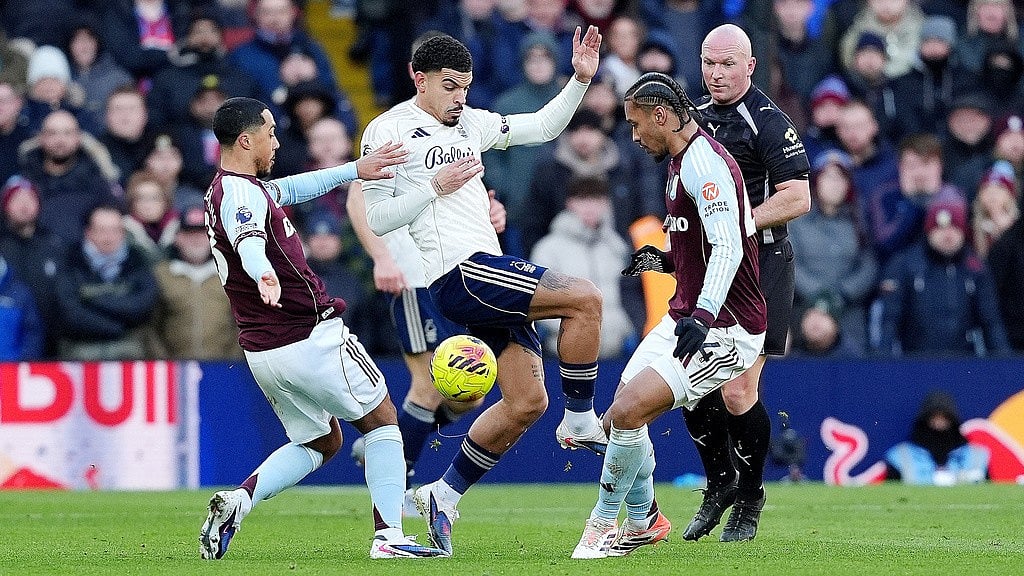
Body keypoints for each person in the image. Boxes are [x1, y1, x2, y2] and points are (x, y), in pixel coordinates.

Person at [360, 28, 605, 556]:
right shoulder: (388, 131)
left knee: (527, 402)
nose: (460, 98)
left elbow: (540, 126)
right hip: (460, 274)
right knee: (584, 297)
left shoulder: (469, 121)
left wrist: (580, 80)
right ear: (417, 79)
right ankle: (583, 417)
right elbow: (378, 216)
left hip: (486, 268)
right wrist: (433, 187)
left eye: (465, 87)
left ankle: (442, 496)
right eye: (450, 87)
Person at [196, 96, 448, 560]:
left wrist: (355, 169)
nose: (276, 141)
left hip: (263, 350)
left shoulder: (229, 189)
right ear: (246, 139)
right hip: (308, 335)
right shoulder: (242, 194)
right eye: (270, 132)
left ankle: (239, 501)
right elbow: (250, 239)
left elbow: (294, 188)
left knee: (321, 440)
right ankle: (390, 537)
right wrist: (263, 273)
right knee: (383, 419)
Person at [571, 71, 766, 559]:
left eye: (638, 125)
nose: (634, 136)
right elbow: (704, 244)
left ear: (662, 116)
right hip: (687, 315)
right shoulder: (680, 160)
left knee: (630, 411)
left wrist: (701, 316)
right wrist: (667, 261)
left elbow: (730, 249)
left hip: (727, 327)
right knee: (620, 415)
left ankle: (602, 526)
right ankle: (642, 522)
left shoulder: (705, 163)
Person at [681, 23, 810, 543]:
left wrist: (739, 222)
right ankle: (719, 482)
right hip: (709, 264)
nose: (715, 73)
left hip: (763, 263)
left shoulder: (768, 123)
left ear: (750, 66)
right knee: (689, 384)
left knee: (738, 389)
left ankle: (750, 496)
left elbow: (798, 197)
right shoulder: (693, 121)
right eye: (709, 63)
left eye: (727, 64)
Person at [885, 390, 989, 485]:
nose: (939, 422)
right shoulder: (901, 456)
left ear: (953, 420)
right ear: (924, 420)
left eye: (944, 417)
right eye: (934, 417)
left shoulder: (976, 455)